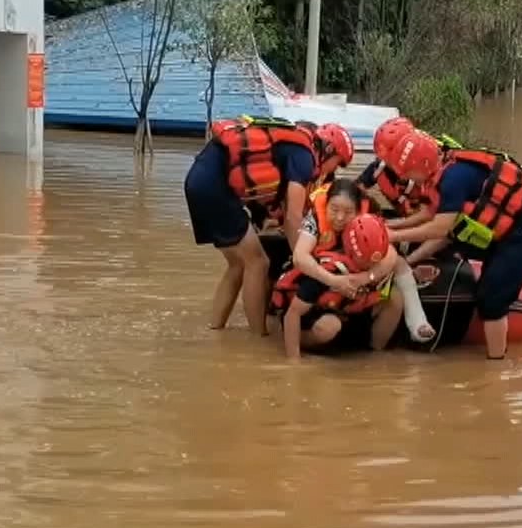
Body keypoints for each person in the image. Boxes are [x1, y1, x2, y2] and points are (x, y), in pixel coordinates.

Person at [387, 133, 522, 360]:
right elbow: (431, 215)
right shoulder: (443, 171)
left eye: (407, 171)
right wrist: (394, 229)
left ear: (421, 165)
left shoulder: (454, 178)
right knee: (464, 249)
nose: (404, 176)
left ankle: (496, 366)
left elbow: (440, 229)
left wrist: (391, 238)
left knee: (491, 299)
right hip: (505, 232)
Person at [184, 116, 353, 335]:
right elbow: (293, 219)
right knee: (259, 263)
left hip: (198, 181)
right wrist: (304, 259)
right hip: (215, 188)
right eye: (338, 162)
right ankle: (258, 338)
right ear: (329, 149)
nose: (334, 171)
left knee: (238, 264)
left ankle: (216, 330)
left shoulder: (292, 146)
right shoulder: (305, 157)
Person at [287, 178, 435, 344]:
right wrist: (335, 281)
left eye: (348, 212)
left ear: (358, 212)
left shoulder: (369, 216)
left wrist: (364, 279)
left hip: (360, 281)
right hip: (323, 281)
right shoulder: (315, 218)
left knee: (395, 298)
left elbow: (391, 256)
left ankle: (378, 357)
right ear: (327, 205)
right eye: (334, 210)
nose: (340, 218)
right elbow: (300, 257)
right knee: (325, 327)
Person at [272, 213, 406, 359]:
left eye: (377, 262)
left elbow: (391, 257)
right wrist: (294, 361)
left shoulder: (383, 259)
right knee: (329, 326)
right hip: (318, 318)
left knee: (395, 298)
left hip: (352, 314)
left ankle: (375, 356)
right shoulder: (328, 268)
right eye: (367, 263)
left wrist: (367, 277)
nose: (373, 266)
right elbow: (293, 313)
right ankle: (300, 341)